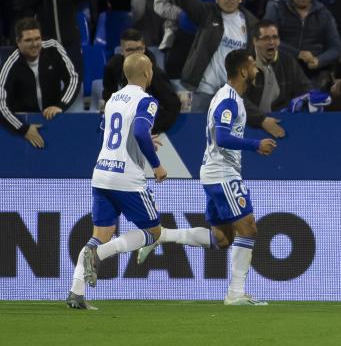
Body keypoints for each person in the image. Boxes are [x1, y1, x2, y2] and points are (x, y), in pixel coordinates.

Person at [66, 53, 211, 310]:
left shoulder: (112, 99)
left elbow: (109, 132)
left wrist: (138, 141)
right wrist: (156, 165)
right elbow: (141, 131)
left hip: (101, 173)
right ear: (147, 74)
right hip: (128, 179)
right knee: (154, 234)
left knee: (101, 234)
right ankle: (98, 255)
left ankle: (76, 292)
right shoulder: (147, 101)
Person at [141, 49, 277, 305]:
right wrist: (255, 145)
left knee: (222, 238)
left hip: (216, 172)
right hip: (222, 172)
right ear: (243, 70)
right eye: (253, 66)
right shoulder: (228, 100)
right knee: (248, 230)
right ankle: (235, 295)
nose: (256, 70)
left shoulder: (230, 97)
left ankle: (161, 235)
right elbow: (222, 137)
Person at [169, 0, 258, 113]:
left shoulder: (251, 23)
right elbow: (187, 1)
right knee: (198, 132)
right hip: (204, 90)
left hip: (233, 93)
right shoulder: (207, 13)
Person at [0, 18, 79, 148]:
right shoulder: (10, 64)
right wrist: (24, 129)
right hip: (23, 125)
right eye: (28, 40)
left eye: (37, 38)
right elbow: (1, 106)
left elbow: (73, 78)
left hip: (54, 119)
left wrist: (61, 105)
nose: (35, 44)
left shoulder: (53, 48)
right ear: (18, 42)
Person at [264, 0, 341, 90]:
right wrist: (298, 54)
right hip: (281, 67)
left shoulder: (324, 13)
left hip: (314, 72)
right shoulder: (276, 8)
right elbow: (266, 40)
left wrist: (319, 61)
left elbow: (335, 48)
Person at [102, 29, 181, 134]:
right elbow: (108, 93)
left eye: (139, 49)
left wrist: (152, 128)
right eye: (130, 50)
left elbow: (173, 105)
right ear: (122, 51)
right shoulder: (113, 67)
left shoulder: (154, 74)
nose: (136, 54)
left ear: (144, 48)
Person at [244, 20, 312, 136]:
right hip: (251, 124)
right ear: (255, 41)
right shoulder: (244, 63)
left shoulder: (288, 62)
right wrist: (261, 120)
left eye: (275, 37)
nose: (271, 42)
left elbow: (306, 89)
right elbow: (237, 99)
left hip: (283, 121)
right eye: (265, 38)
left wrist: (299, 103)